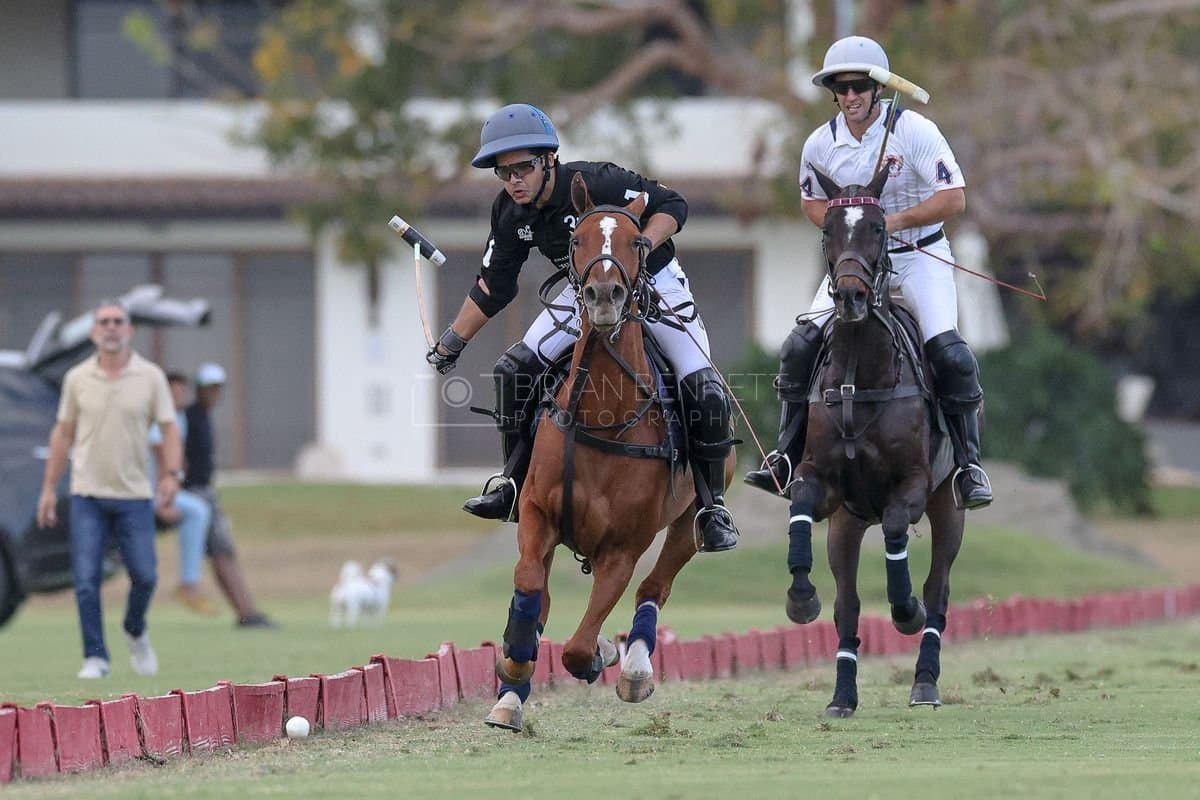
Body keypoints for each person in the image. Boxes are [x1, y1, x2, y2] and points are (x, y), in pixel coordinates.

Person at [427, 103, 739, 552]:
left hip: (656, 282)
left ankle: (712, 507)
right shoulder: (511, 214)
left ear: (549, 160)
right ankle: (513, 485)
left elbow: (674, 204)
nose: (514, 180)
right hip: (586, 294)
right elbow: (493, 286)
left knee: (703, 386)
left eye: (523, 168)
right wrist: (452, 342)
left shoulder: (599, 181)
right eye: (503, 172)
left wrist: (641, 246)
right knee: (512, 369)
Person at [744, 35, 993, 510]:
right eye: (841, 88)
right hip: (857, 265)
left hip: (919, 256)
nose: (850, 96)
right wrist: (849, 237)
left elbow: (954, 198)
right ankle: (784, 456)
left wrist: (889, 223)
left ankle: (968, 465)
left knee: (951, 354)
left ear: (877, 88)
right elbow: (810, 200)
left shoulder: (913, 131)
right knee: (799, 347)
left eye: (859, 86)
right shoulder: (821, 143)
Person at [36, 299, 180, 679]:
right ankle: (96, 657)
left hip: (134, 495)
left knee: (145, 575)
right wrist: (49, 488)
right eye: (104, 322)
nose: (112, 328)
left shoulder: (150, 377)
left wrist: (171, 475)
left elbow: (168, 429)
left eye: (118, 321)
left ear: (129, 330)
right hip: (87, 495)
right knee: (85, 579)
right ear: (93, 332)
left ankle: (135, 629)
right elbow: (62, 433)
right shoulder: (77, 378)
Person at [183, 362, 276, 628]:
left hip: (205, 492)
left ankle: (246, 610)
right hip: (195, 494)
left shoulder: (203, 417)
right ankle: (246, 612)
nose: (213, 393)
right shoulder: (190, 417)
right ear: (199, 389)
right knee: (223, 552)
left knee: (223, 552)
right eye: (208, 388)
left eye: (216, 388)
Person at [150, 372, 216, 615]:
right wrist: (164, 500)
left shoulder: (181, 418)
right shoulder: (158, 418)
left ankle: (189, 584)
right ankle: (188, 584)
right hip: (147, 491)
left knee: (199, 511)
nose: (178, 397)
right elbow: (160, 456)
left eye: (181, 392)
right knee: (197, 511)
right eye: (172, 392)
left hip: (167, 488)